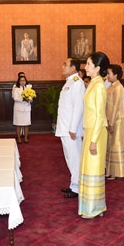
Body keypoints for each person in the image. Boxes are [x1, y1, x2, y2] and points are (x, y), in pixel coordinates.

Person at [79, 51, 110, 219]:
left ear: (98, 68)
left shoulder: (99, 86)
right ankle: (89, 206)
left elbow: (99, 115)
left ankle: (95, 208)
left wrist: (93, 140)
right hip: (90, 130)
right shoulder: (93, 83)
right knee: (87, 168)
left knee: (94, 169)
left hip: (96, 133)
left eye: (89, 64)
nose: (86, 67)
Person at [56, 57, 86, 199]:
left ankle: (78, 187)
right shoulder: (69, 82)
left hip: (71, 129)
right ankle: (74, 184)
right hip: (65, 127)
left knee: (75, 158)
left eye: (65, 64)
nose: (62, 66)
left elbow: (78, 107)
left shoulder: (77, 83)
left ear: (73, 68)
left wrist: (73, 128)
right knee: (70, 157)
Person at [105, 64, 124, 180]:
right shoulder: (111, 86)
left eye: (109, 73)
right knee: (109, 145)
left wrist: (112, 123)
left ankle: (118, 172)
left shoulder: (118, 87)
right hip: (111, 119)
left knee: (116, 144)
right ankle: (110, 170)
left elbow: (116, 107)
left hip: (118, 119)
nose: (107, 75)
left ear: (116, 75)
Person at [12, 75, 31, 143]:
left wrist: (29, 99)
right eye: (21, 80)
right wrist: (23, 99)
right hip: (18, 109)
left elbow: (32, 98)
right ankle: (19, 138)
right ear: (19, 81)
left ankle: (26, 138)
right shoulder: (16, 88)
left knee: (26, 124)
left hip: (26, 108)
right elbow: (15, 98)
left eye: (24, 80)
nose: (23, 82)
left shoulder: (28, 88)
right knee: (18, 124)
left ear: (26, 81)